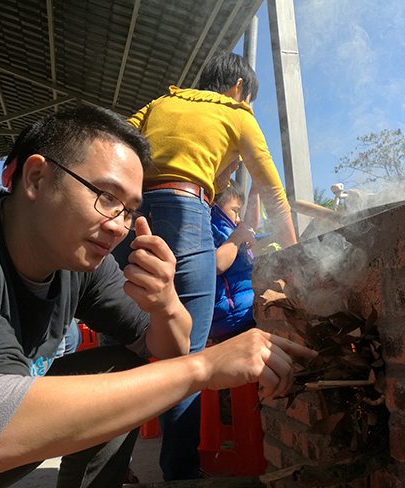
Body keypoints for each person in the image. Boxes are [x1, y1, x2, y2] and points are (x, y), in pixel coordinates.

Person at [0, 107, 316, 488]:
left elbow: (165, 351)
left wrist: (166, 304)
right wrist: (204, 367)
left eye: (129, 210)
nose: (120, 226)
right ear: (35, 178)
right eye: (107, 197)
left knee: (122, 366)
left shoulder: (79, 263)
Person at [111, 52, 298, 480]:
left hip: (127, 215)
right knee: (186, 356)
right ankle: (181, 475)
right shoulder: (237, 114)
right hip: (184, 211)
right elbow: (273, 190)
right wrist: (295, 257)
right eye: (248, 98)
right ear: (238, 88)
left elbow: (115, 142)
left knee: (122, 345)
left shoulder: (159, 103)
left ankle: (112, 469)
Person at [210, 180, 260, 341]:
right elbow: (217, 265)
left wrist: (255, 189)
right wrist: (236, 238)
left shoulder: (232, 229)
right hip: (231, 322)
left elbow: (252, 225)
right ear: (215, 206)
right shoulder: (211, 227)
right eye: (235, 211)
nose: (238, 219)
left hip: (245, 316)